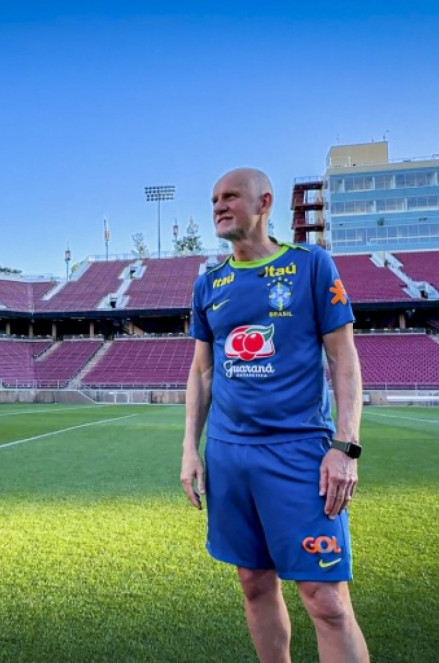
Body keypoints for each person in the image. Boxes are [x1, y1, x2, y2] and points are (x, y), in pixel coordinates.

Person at [181, 167, 369, 663]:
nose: (219, 206)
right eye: (214, 198)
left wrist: (345, 446)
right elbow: (201, 374)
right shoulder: (209, 284)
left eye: (231, 197)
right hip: (229, 455)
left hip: (300, 452)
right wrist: (189, 451)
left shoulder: (312, 265)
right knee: (253, 583)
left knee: (326, 600)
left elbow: (344, 360)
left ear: (264, 203)